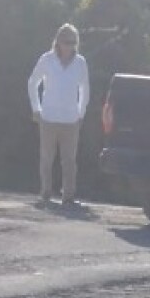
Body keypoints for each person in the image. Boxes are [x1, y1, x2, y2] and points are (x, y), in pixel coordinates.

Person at [27, 24, 90, 208]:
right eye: (66, 42)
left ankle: (68, 196)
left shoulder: (80, 63)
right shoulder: (47, 60)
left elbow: (85, 88)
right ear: (58, 41)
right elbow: (33, 82)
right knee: (47, 157)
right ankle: (46, 191)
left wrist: (81, 112)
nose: (69, 46)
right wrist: (36, 109)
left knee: (69, 160)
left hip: (71, 118)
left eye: (72, 42)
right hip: (48, 116)